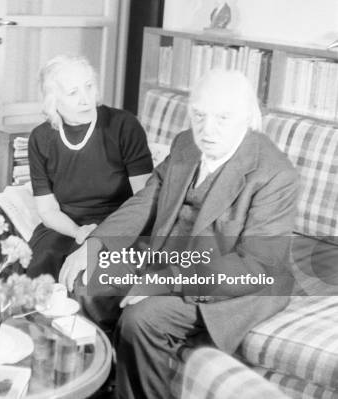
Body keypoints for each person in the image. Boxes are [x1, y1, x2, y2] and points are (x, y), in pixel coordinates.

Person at [60, 69, 298, 399]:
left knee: (142, 318)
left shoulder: (275, 174)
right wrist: (95, 244)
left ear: (247, 118)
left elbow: (256, 267)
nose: (207, 129)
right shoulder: (186, 143)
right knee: (87, 282)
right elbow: (147, 200)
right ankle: (106, 387)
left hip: (230, 282)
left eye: (222, 118)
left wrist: (167, 279)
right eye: (199, 115)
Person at [26, 55, 153, 279]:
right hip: (66, 225)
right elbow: (47, 210)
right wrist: (77, 231)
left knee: (91, 281)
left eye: (89, 87)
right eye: (73, 93)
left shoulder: (124, 126)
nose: (86, 100)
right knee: (39, 269)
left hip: (119, 224)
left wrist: (103, 236)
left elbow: (144, 200)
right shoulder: (41, 138)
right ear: (53, 100)